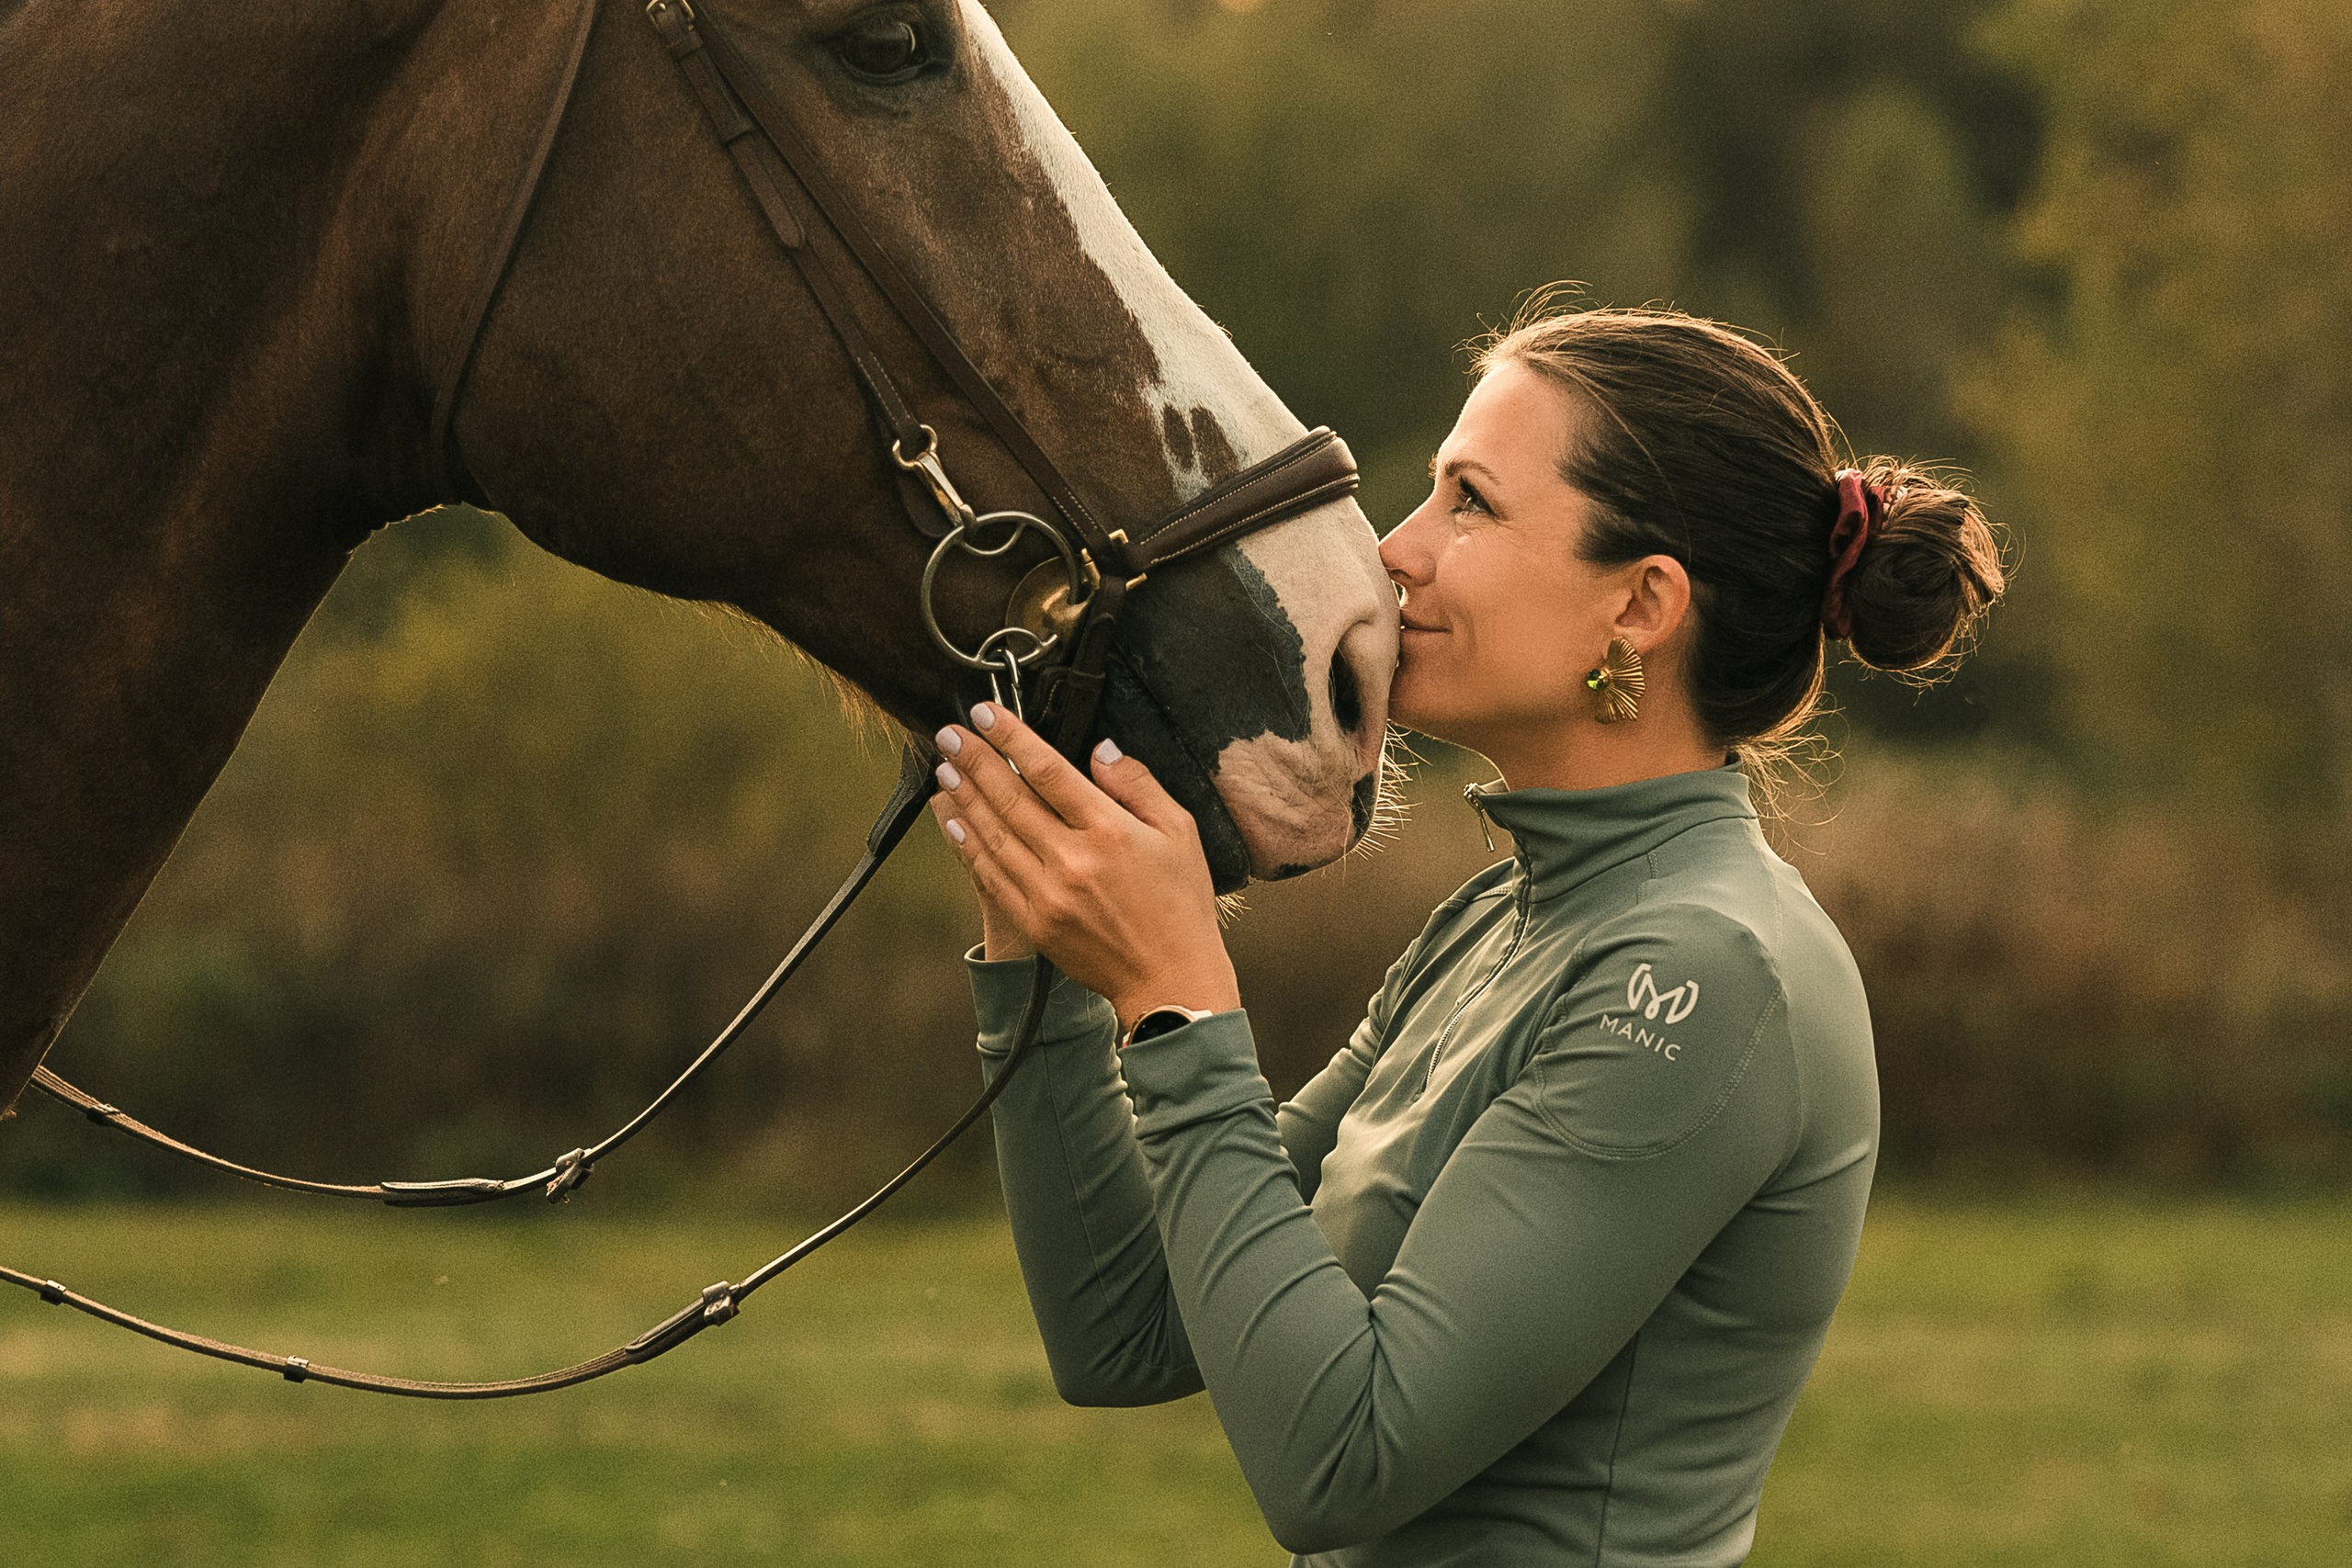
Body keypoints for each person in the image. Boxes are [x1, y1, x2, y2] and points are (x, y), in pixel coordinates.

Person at [925, 302, 2005, 1566]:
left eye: (1469, 504)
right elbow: (1127, 1324)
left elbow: (1339, 1459)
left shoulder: (1706, 973)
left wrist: (1177, 996)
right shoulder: (1504, 917)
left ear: (1642, 607)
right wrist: (1044, 949)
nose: (1394, 551)